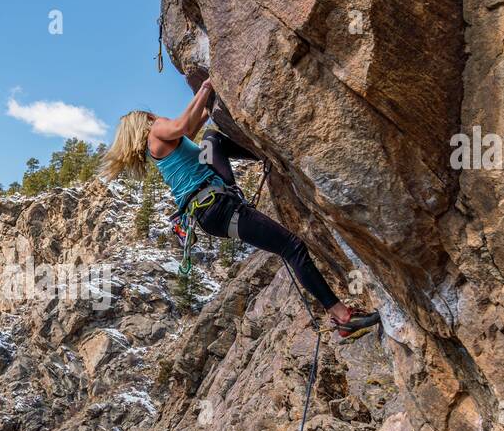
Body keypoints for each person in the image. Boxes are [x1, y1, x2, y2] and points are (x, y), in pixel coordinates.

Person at [102, 79, 379, 340]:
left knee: (212, 137)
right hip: (217, 205)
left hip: (212, 211)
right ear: (146, 122)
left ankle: (263, 155)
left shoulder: (161, 146)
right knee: (292, 247)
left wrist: (207, 101)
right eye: (152, 117)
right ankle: (343, 318)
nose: (157, 117)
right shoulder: (158, 130)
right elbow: (183, 124)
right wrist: (205, 87)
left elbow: (193, 125)